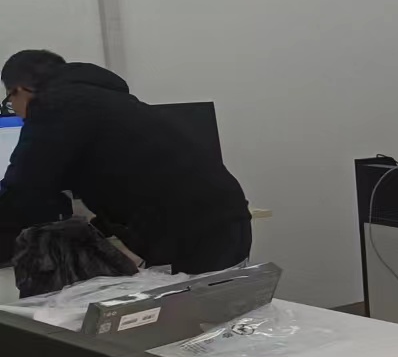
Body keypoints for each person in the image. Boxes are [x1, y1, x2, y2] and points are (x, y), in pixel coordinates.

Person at [0, 51, 251, 274]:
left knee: (189, 308)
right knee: (219, 305)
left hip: (192, 231)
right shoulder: (102, 97)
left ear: (20, 89)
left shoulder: (54, 105)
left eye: (10, 101)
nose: (15, 110)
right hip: (221, 216)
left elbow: (25, 184)